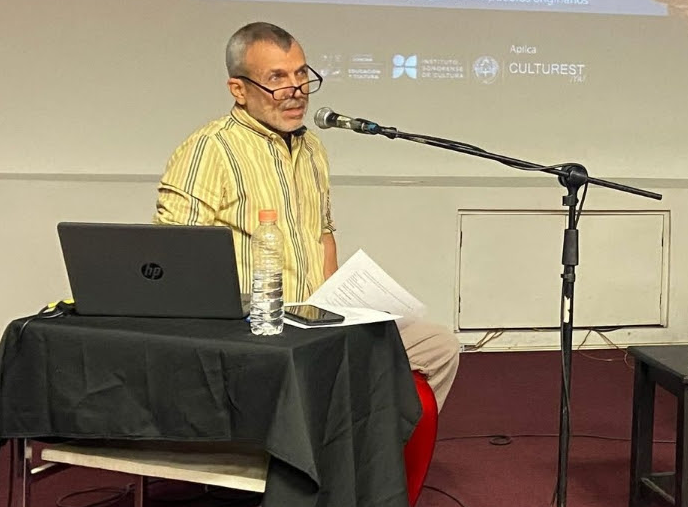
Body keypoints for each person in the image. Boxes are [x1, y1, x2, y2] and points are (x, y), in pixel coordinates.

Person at [155, 21, 460, 409]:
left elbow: (323, 234)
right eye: (277, 79)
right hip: (256, 330)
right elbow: (174, 259)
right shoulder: (209, 150)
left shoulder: (312, 147)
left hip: (315, 324)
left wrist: (340, 306)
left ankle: (366, 442)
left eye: (301, 74)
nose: (296, 90)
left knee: (437, 347)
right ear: (239, 89)